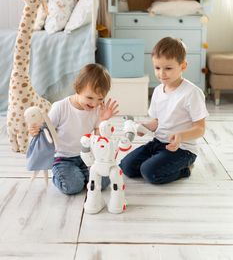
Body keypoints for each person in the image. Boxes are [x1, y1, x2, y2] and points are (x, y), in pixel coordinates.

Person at [120, 37, 208, 184]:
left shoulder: (192, 93)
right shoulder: (158, 91)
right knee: (126, 167)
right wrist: (144, 127)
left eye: (168, 68)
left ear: (183, 66)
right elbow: (157, 121)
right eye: (157, 68)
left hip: (182, 149)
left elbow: (200, 129)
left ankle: (185, 169)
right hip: (158, 143)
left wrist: (181, 135)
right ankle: (158, 161)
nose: (162, 74)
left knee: (150, 173)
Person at [29, 63, 118, 195]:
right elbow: (46, 131)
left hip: (87, 156)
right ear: (78, 88)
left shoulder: (97, 110)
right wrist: (36, 130)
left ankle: (82, 174)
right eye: (89, 97)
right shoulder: (60, 107)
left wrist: (103, 121)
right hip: (63, 158)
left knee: (104, 181)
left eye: (100, 99)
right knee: (73, 186)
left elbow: (99, 139)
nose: (94, 103)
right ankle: (59, 173)